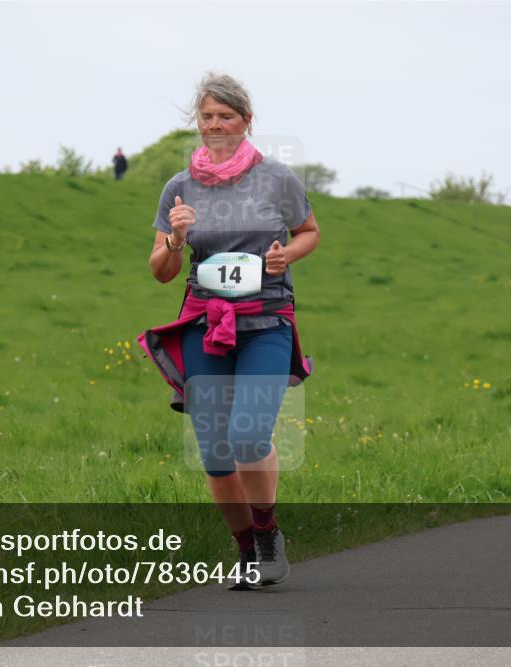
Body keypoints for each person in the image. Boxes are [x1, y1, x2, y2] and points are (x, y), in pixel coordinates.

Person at [136, 73, 321, 591]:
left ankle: (267, 536)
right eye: (207, 117)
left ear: (246, 121)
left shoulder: (277, 178)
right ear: (198, 122)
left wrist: (287, 254)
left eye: (226, 117)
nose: (216, 126)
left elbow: (309, 232)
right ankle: (246, 551)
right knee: (216, 451)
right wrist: (175, 238)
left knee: (248, 436)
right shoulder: (179, 187)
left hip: (266, 322)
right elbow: (161, 270)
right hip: (205, 322)